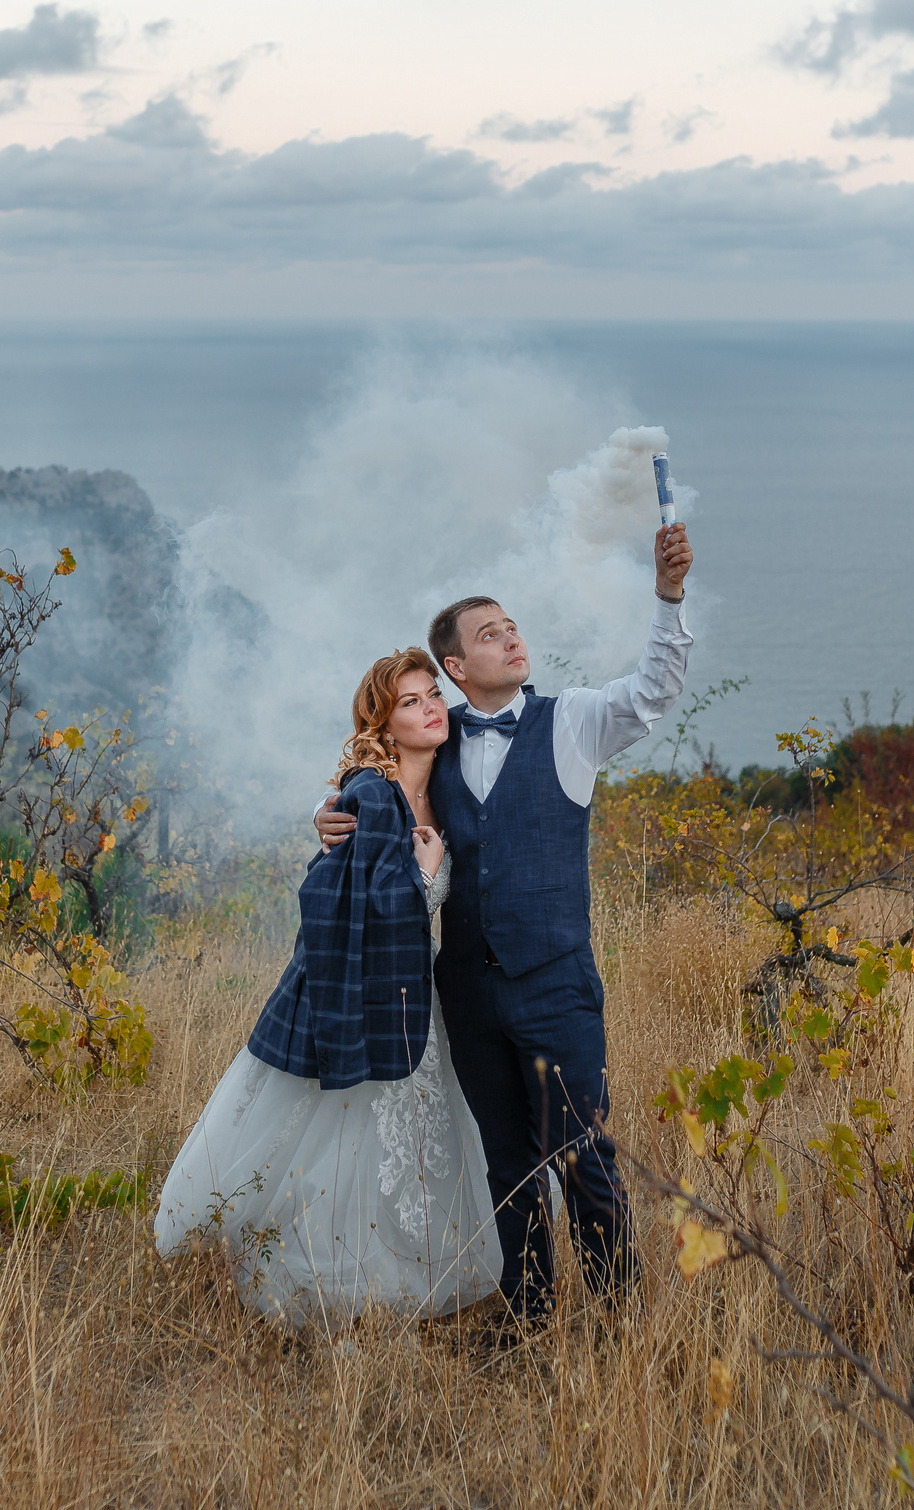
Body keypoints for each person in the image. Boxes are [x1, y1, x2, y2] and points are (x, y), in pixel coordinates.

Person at [314, 520, 693, 1325]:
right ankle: (527, 1320)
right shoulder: (435, 743)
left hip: (557, 986)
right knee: (508, 1164)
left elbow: (654, 689)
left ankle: (622, 1324)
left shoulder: (575, 720)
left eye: (513, 626)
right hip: (469, 997)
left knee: (586, 1158)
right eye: (490, 634)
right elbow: (375, 788)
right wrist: (328, 813)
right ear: (456, 667)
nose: (512, 638)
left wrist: (667, 597)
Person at [155, 650, 502, 1331]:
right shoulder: (374, 795)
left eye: (434, 693)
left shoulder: (448, 779)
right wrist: (428, 875)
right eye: (409, 701)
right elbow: (372, 904)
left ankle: (419, 1268)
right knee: (351, 1141)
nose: (431, 707)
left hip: (417, 996)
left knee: (416, 1142)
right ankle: (339, 1277)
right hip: (369, 990)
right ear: (383, 719)